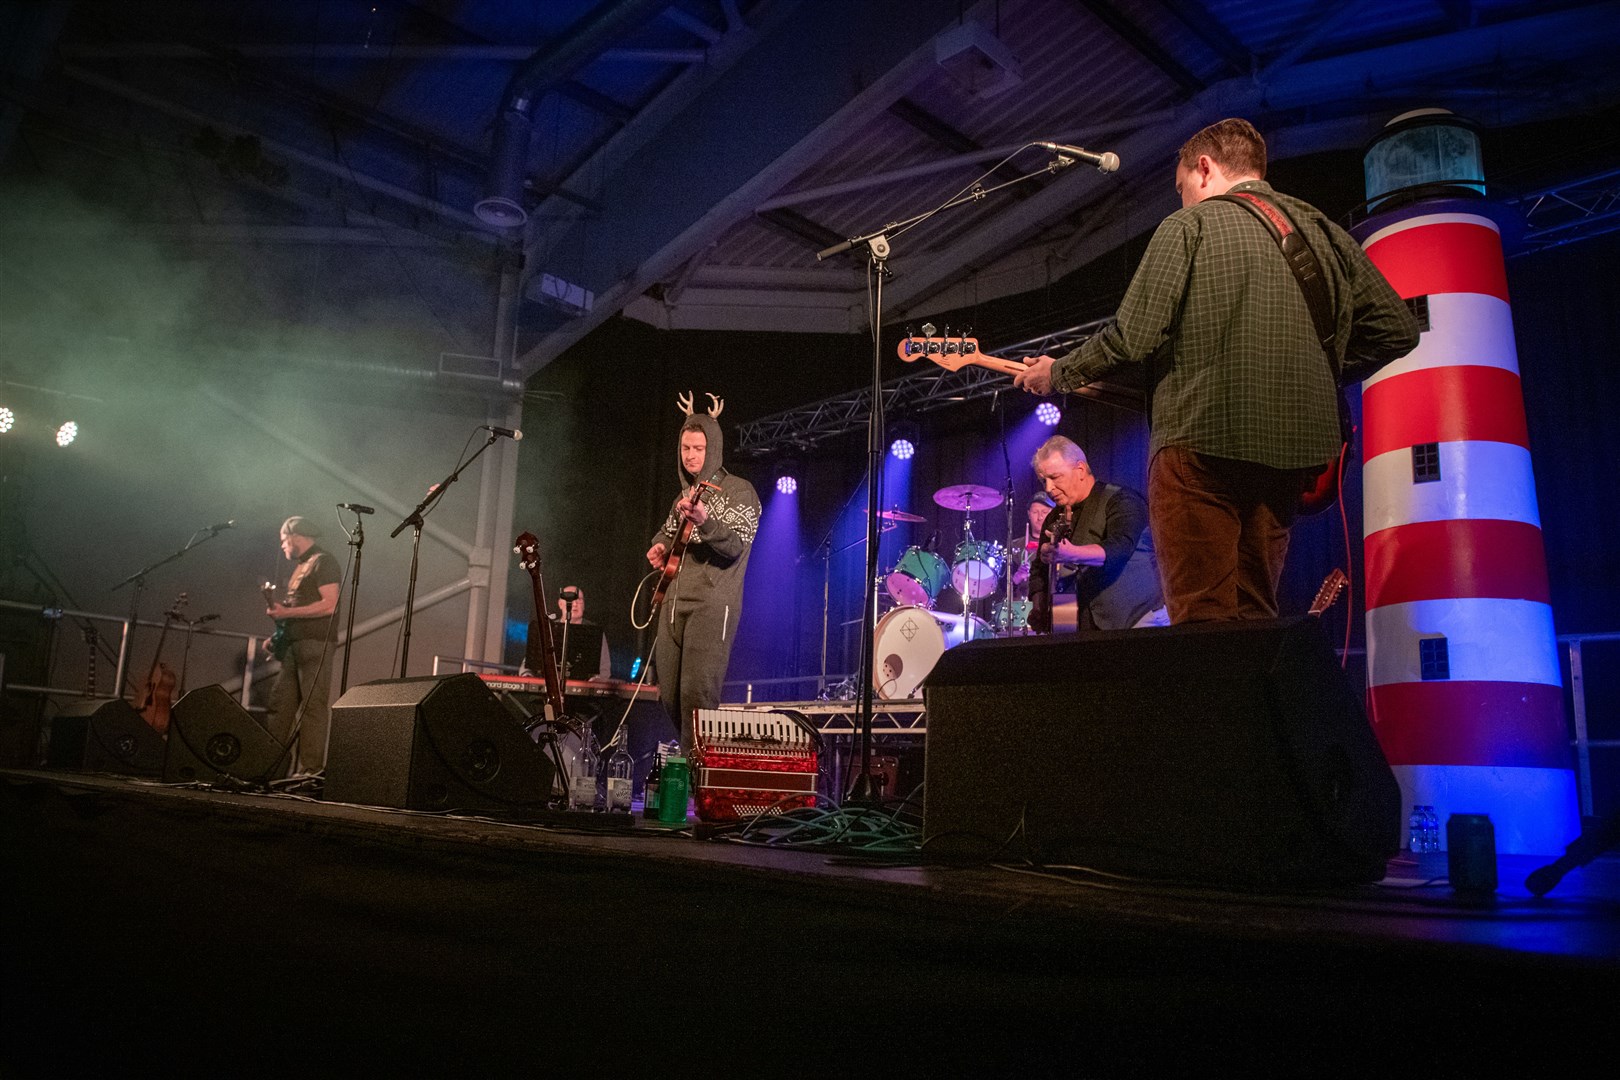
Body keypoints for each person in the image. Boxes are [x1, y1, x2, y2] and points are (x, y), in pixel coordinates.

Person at [1014, 118, 1419, 623]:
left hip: (1200, 443)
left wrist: (1059, 373)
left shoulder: (1190, 226)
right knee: (1255, 612)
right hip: (1292, 452)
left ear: (1204, 169)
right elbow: (1397, 330)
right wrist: (1317, 372)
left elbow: (1132, 337)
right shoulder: (1323, 231)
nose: (1182, 199)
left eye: (1182, 188)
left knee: (1203, 617)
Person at [645, 402, 759, 749]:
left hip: (712, 603)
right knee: (668, 694)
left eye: (698, 449)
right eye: (685, 448)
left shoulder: (741, 491)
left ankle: (700, 785)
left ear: (713, 449)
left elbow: (735, 545)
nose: (690, 456)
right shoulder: (684, 494)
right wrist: (660, 546)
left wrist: (704, 520)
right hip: (674, 603)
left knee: (697, 696)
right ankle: (689, 767)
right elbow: (667, 532)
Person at [1026, 436, 1166, 632]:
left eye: (1055, 477)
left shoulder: (1121, 500)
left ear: (1081, 470)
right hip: (1078, 625)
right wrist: (1039, 606)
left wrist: (1071, 554)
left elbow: (1119, 549)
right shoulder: (1053, 518)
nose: (1048, 488)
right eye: (1043, 481)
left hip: (1137, 619)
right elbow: (1039, 571)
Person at [264, 515, 340, 775]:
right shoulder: (303, 565)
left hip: (315, 645)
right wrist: (277, 637)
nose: (283, 546)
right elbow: (298, 609)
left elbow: (330, 605)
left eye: (284, 540)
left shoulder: (324, 562)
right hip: (294, 646)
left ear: (296, 537)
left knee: (312, 708)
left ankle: (310, 773)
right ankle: (269, 770)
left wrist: (285, 614)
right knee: (279, 707)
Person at [523, 584, 612, 681]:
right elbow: (528, 664)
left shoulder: (595, 632)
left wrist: (593, 684)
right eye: (570, 599)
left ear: (584, 605)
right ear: (560, 604)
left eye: (579, 600)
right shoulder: (547, 630)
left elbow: (604, 669)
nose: (575, 604)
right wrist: (527, 676)